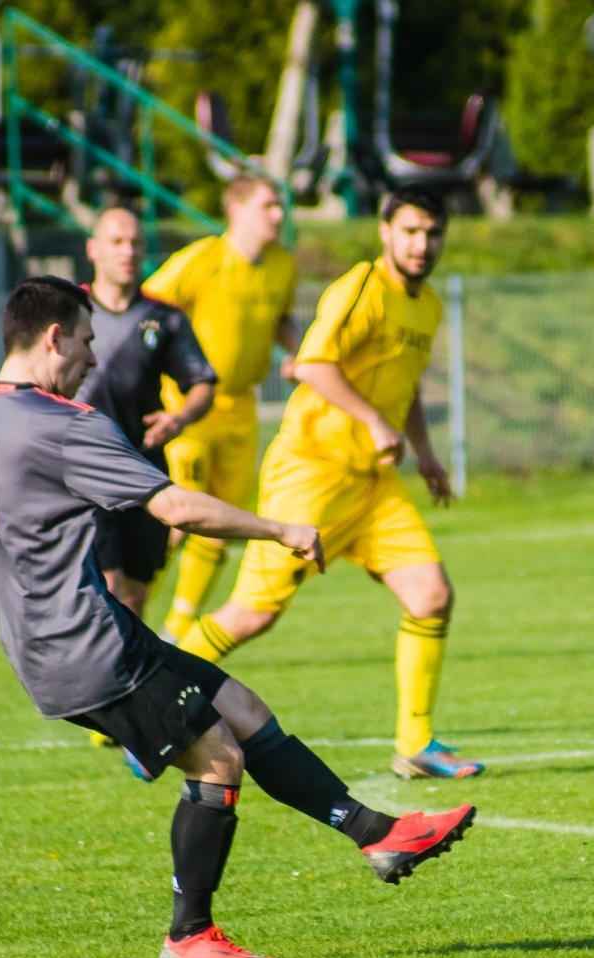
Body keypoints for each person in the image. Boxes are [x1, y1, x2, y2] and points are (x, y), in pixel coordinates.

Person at [0, 277, 474, 958]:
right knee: (219, 758)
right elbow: (176, 508)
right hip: (87, 645)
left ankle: (379, 835)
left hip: (59, 643)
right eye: (88, 343)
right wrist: (279, 527)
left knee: (240, 708)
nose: (93, 361)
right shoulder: (67, 424)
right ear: (54, 336)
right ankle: (190, 937)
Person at [175, 184, 484, 781]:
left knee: (432, 595)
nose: (423, 244)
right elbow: (313, 363)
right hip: (310, 473)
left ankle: (415, 744)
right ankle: (154, 711)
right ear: (385, 231)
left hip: (372, 484)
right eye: (412, 231)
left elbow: (406, 384)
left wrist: (425, 454)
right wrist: (372, 419)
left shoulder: (428, 306)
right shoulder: (361, 287)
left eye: (433, 233)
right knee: (250, 616)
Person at [143, 174, 300, 643]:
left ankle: (176, 628)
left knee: (221, 525)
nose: (278, 215)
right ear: (237, 210)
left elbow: (281, 321)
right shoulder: (201, 260)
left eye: (280, 206)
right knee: (176, 519)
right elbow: (148, 308)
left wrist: (299, 352)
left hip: (241, 408)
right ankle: (129, 613)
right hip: (188, 407)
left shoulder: (282, 266)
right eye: (268, 205)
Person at [78, 207, 217, 618]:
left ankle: (128, 680)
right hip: (86, 469)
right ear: (93, 250)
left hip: (143, 466)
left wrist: (180, 418)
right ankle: (106, 678)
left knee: (135, 594)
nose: (128, 251)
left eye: (136, 243)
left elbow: (203, 384)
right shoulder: (68, 313)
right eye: (117, 242)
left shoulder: (164, 318)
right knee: (108, 586)